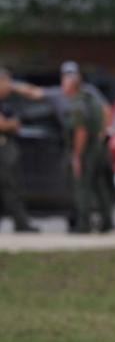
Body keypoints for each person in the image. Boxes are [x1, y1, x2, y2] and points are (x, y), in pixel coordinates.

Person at [60, 62, 114, 233]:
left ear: (71, 86)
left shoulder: (77, 104)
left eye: (64, 83)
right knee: (99, 186)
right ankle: (107, 222)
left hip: (87, 150)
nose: (62, 87)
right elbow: (107, 112)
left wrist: (77, 156)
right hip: (100, 148)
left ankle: (83, 225)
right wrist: (102, 133)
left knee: (82, 187)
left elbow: (80, 132)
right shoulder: (91, 98)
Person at [0, 68, 41, 233]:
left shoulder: (5, 103)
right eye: (6, 83)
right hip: (3, 148)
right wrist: (11, 124)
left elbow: (31, 91)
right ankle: (21, 223)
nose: (9, 87)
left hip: (6, 145)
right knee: (9, 187)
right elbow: (4, 125)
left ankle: (21, 222)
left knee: (12, 186)